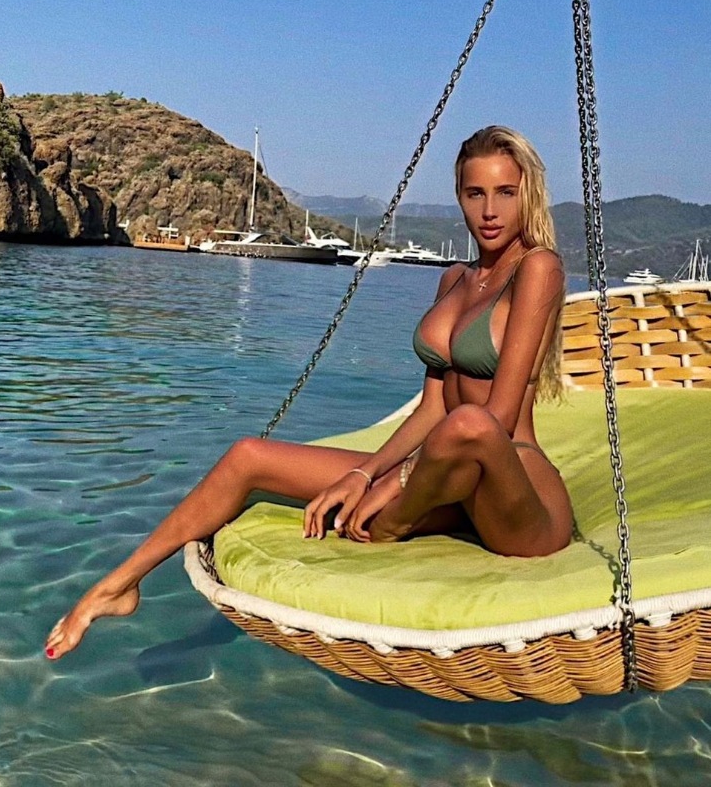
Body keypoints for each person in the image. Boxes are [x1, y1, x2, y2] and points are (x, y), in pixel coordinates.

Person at [45, 125, 572, 660]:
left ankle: (393, 522)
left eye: (505, 193)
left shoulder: (538, 268)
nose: (489, 210)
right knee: (248, 455)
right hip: (448, 481)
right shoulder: (454, 278)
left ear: (526, 194)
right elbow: (432, 407)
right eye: (475, 193)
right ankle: (119, 585)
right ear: (459, 195)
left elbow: (495, 419)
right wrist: (365, 473)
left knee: (469, 425)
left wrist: (395, 484)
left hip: (514, 491)